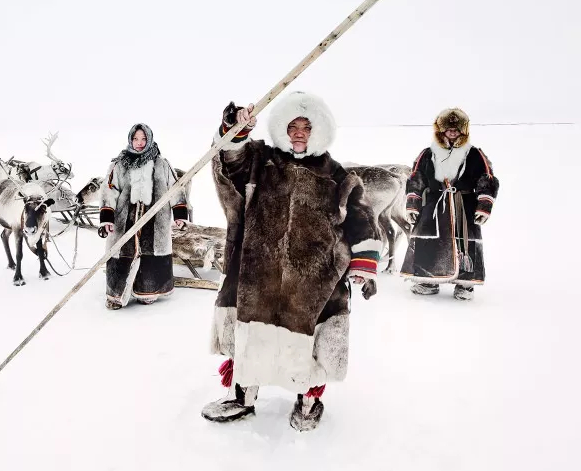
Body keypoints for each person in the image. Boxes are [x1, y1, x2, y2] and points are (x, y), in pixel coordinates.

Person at [203, 92, 382, 432]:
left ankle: (309, 400)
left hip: (314, 281)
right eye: (292, 126)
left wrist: (363, 263)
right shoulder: (262, 161)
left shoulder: (337, 176)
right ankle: (242, 396)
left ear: (319, 131)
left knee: (310, 344)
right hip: (258, 274)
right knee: (248, 337)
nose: (299, 133)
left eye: (306, 127)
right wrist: (235, 126)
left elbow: (362, 218)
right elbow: (230, 159)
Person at [401, 108, 499, 300]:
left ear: (463, 131)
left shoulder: (474, 154)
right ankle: (427, 280)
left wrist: (484, 206)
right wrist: (413, 203)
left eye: (456, 129)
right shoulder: (428, 153)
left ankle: (465, 285)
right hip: (434, 206)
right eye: (448, 129)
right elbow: (416, 179)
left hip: (465, 205)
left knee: (465, 243)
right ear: (441, 130)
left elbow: (486, 179)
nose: (452, 132)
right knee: (429, 240)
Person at [98, 123, 189, 309]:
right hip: (125, 218)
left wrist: (179, 213)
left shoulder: (161, 163)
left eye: (143, 139)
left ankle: (148, 291)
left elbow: (175, 188)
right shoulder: (119, 164)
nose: (139, 143)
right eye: (135, 139)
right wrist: (107, 217)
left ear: (149, 140)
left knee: (151, 253)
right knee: (122, 252)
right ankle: (116, 295)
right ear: (130, 140)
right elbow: (109, 190)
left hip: (154, 219)